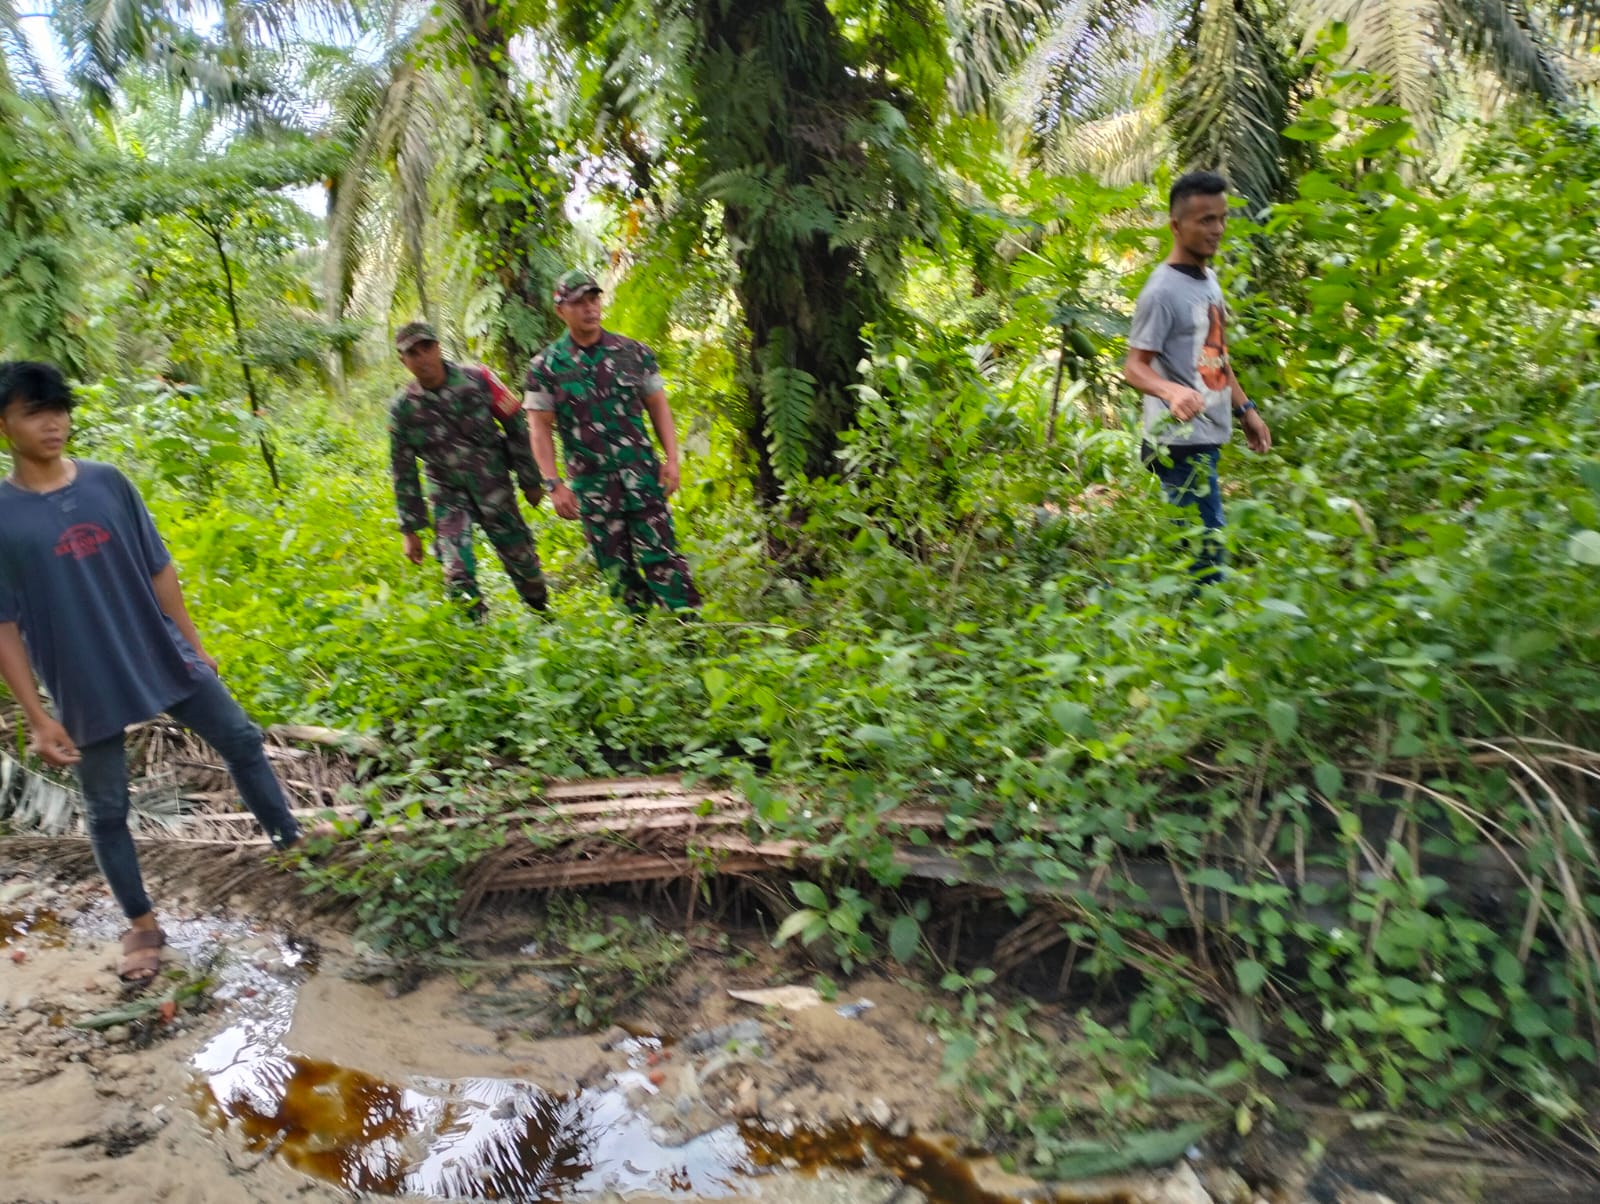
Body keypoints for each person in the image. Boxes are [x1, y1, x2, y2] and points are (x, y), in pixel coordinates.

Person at [0, 362, 310, 985]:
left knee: (243, 741)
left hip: (159, 651)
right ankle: (141, 923)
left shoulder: (108, 483)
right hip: (83, 680)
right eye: (35, 412)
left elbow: (159, 566)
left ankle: (291, 846)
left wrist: (195, 647)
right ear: (4, 425)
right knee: (108, 809)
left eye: (58, 409)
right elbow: (3, 623)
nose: (53, 423)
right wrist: (37, 716)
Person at [1123, 170, 1273, 582]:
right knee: (1205, 554)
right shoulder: (1160, 292)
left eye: (1222, 218)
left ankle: (1191, 620)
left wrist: (1246, 410)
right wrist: (1169, 391)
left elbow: (1216, 357)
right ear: (1176, 226)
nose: (1218, 229)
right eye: (1206, 220)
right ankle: (1198, 627)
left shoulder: (1208, 280)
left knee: (1201, 543)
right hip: (1178, 440)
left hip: (1205, 435)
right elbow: (1133, 367)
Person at [522, 271, 701, 615]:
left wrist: (672, 459)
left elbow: (658, 406)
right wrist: (553, 483)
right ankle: (637, 636)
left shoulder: (632, 352)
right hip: (592, 484)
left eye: (594, 299)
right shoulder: (545, 367)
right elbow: (539, 428)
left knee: (663, 555)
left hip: (642, 475)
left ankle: (690, 631)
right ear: (561, 310)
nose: (590, 308)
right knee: (614, 564)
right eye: (579, 302)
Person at [389, 321, 549, 619]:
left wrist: (530, 481)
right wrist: (409, 529)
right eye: (413, 353)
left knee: (524, 563)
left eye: (426, 348)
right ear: (404, 360)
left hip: (493, 485)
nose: (422, 357)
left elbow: (515, 424)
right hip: (447, 494)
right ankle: (475, 637)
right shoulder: (403, 409)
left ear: (437, 348)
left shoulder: (479, 379)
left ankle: (542, 611)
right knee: (457, 571)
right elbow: (403, 469)